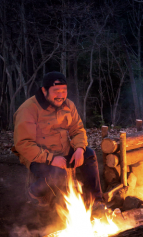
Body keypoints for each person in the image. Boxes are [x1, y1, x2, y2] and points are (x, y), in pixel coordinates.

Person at [12, 71, 103, 214]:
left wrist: (79, 148)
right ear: (44, 90)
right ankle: (34, 192)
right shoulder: (28, 109)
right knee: (57, 173)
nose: (61, 95)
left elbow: (77, 129)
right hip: (38, 155)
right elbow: (23, 144)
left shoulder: (68, 106)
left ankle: (97, 201)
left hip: (63, 149)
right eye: (56, 91)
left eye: (64, 90)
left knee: (89, 154)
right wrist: (51, 159)